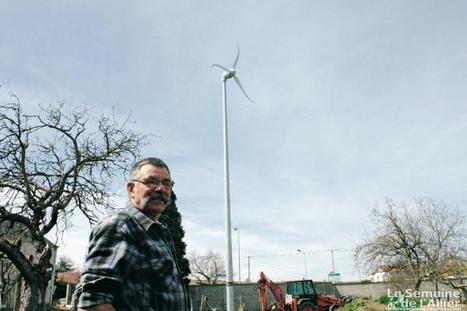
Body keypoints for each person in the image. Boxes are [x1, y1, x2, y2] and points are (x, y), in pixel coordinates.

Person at [74, 157, 190, 311]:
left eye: (167, 184)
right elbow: (93, 303)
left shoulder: (158, 232)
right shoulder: (120, 226)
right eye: (151, 181)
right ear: (131, 189)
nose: (161, 189)